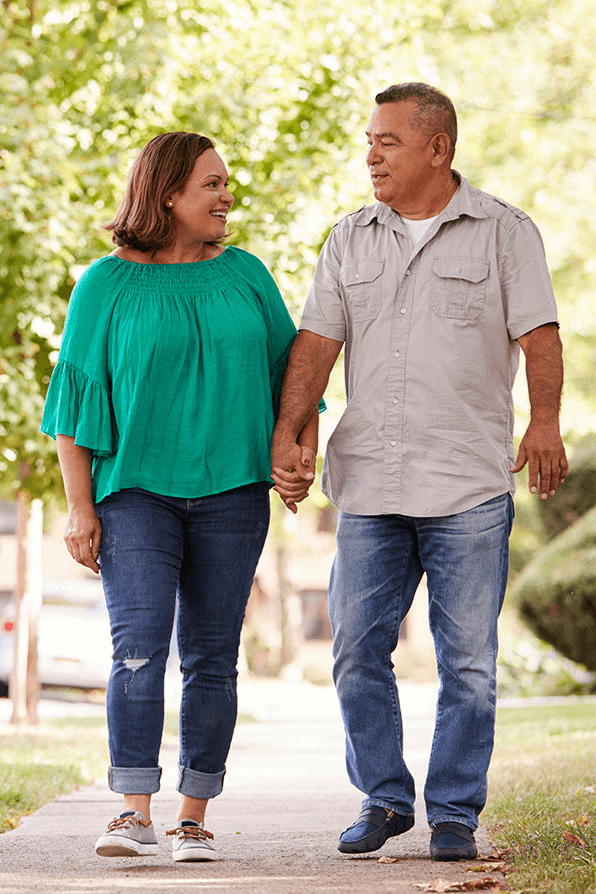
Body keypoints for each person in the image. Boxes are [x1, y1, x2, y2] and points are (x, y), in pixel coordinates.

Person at [271, 83, 567, 862]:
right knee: (355, 648)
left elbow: (539, 334)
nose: (371, 154)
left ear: (438, 148)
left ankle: (456, 812)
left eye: (389, 141)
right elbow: (315, 345)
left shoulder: (505, 233)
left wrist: (543, 421)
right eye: (370, 140)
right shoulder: (349, 239)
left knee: (468, 663)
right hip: (370, 482)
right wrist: (290, 431)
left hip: (467, 484)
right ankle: (383, 797)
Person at [41, 132, 317, 862]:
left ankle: (192, 818)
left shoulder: (247, 277)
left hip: (231, 492)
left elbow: (295, 379)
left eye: (227, 184)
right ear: (167, 195)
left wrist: (296, 454)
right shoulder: (105, 283)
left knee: (212, 657)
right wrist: (80, 508)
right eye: (212, 185)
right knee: (137, 651)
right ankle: (133, 812)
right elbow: (76, 402)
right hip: (134, 493)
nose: (227, 196)